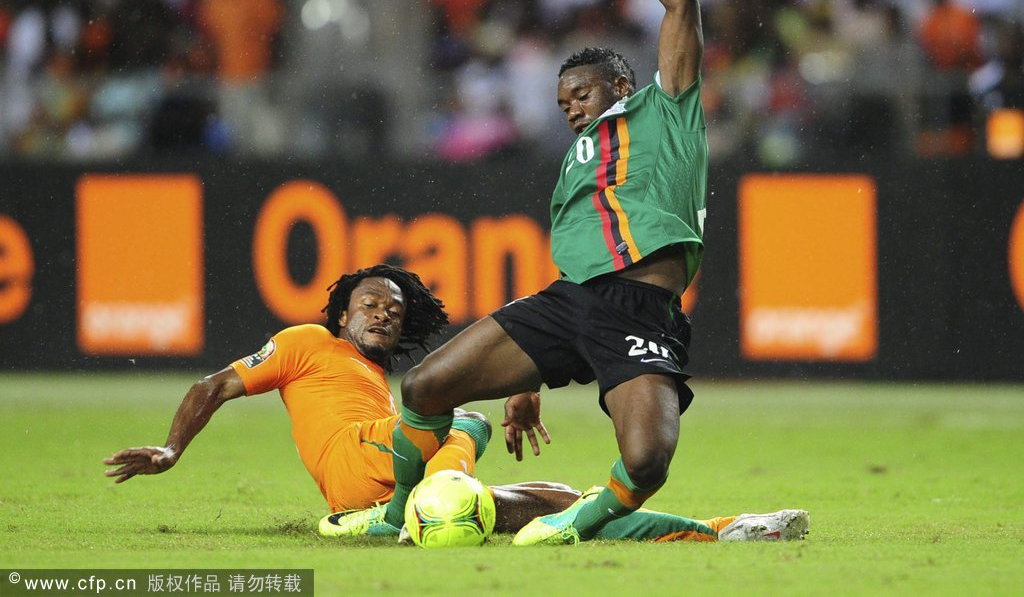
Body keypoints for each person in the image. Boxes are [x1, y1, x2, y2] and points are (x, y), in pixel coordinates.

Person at [330, 0, 809, 545]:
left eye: (581, 95)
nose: (571, 110)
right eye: (563, 104)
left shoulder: (667, 111)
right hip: (571, 300)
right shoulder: (575, 164)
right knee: (424, 385)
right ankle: (392, 519)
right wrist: (525, 382)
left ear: (620, 84)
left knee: (646, 460)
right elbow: (580, 259)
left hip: (640, 307)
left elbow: (683, 2)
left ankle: (576, 521)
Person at [103, 264, 783, 542]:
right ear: (341, 311)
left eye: (394, 309)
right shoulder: (306, 342)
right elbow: (213, 384)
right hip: (360, 461)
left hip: (407, 468)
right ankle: (403, 509)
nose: (381, 313)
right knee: (468, 414)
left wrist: (524, 385)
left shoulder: (389, 384)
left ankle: (724, 528)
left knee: (555, 503)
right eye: (368, 302)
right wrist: (170, 447)